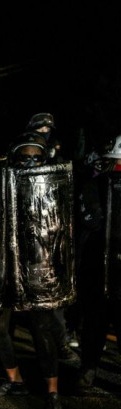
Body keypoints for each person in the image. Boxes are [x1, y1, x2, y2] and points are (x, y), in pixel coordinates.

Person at [3, 131, 75, 409]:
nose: (31, 162)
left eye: (37, 157)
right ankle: (13, 379)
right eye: (25, 157)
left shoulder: (55, 186)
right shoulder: (4, 180)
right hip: (7, 267)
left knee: (42, 330)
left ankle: (52, 394)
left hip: (38, 269)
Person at [76, 137, 121, 392]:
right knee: (94, 324)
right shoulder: (96, 185)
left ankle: (88, 369)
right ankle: (88, 369)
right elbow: (90, 219)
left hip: (112, 270)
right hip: (98, 268)